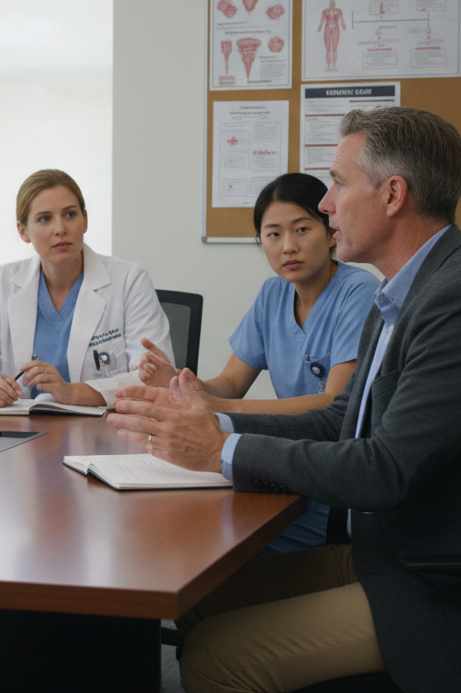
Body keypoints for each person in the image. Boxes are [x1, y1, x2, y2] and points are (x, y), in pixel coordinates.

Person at [108, 107, 461, 693]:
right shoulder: (402, 295)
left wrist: (219, 451)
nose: (326, 205)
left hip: (450, 584)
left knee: (218, 664)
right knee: (196, 596)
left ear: (393, 194)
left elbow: (384, 470)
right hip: (397, 550)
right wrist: (213, 425)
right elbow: (340, 419)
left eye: (339, 185)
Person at [133, 173, 378, 553]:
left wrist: (217, 405)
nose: (288, 247)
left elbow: (333, 406)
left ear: (331, 232)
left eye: (302, 229)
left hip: (329, 475)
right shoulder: (272, 293)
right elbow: (230, 382)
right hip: (280, 465)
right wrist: (182, 384)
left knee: (212, 543)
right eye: (273, 234)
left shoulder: (357, 292)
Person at [0, 169, 172, 408]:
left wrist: (73, 392)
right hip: (20, 430)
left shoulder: (129, 280)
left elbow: (157, 377)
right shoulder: (3, 281)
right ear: (23, 231)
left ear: (85, 220)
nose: (60, 228)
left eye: (70, 214)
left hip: (107, 430)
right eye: (44, 219)